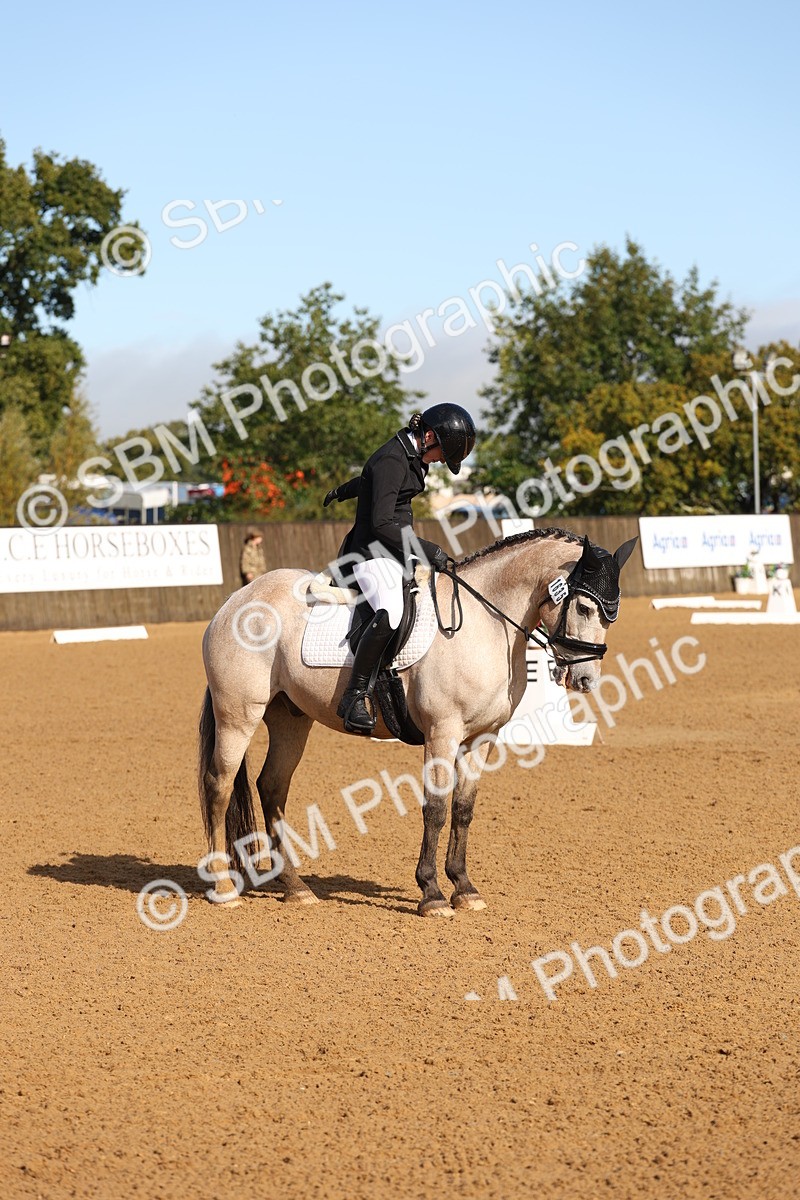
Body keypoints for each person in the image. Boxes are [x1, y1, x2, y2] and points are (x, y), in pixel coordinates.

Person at [323, 402, 476, 734]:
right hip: (370, 552)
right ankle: (355, 694)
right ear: (430, 436)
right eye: (441, 454)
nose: (439, 460)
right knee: (391, 610)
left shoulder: (410, 455)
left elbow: (372, 481)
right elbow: (380, 522)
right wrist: (425, 549)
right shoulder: (393, 459)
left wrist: (342, 491)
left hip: (394, 549)